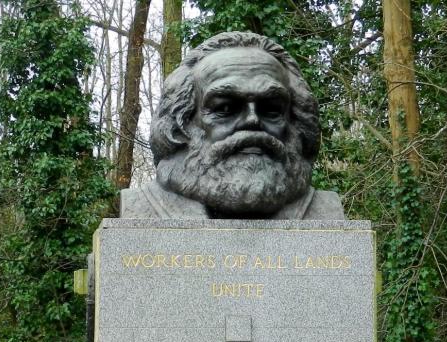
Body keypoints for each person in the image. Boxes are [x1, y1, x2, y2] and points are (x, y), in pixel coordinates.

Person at [121, 32, 345, 220]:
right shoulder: (142, 207)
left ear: (295, 120)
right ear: (183, 122)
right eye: (225, 109)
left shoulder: (324, 212)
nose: (252, 120)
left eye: (271, 109)